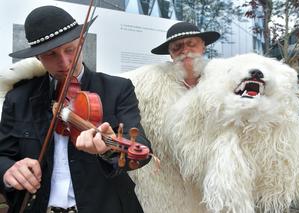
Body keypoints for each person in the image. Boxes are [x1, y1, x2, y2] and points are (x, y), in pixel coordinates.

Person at [0, 5, 151, 213]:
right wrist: (7, 170)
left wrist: (109, 149)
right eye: (51, 54)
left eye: (70, 49)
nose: (64, 62)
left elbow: (140, 146)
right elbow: (3, 155)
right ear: (38, 57)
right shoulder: (18, 99)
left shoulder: (117, 89)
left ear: (81, 42)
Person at [122, 22, 221, 212]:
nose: (185, 50)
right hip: (168, 179)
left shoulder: (222, 80)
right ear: (170, 53)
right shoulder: (150, 83)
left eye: (191, 44)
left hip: (212, 176)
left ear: (203, 46)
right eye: (177, 47)